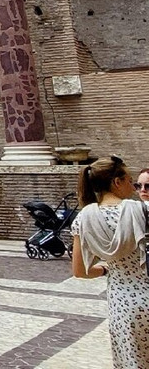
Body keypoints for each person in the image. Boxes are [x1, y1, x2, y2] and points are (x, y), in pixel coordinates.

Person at [71, 156, 149, 368]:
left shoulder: (83, 219)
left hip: (122, 303)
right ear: (117, 182)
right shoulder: (141, 211)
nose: (134, 187)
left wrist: (106, 269)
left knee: (131, 359)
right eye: (130, 181)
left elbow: (80, 271)